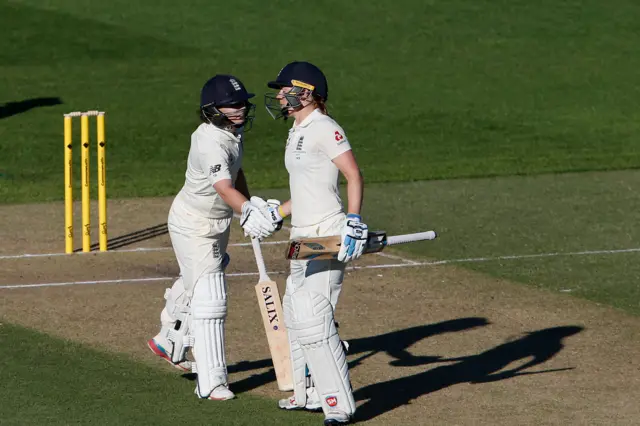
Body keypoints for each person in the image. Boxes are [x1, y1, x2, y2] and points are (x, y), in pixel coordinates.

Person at [147, 74, 277, 401]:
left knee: (199, 281)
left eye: (242, 104)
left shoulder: (231, 133)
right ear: (212, 109)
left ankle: (168, 339)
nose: (242, 110)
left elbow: (236, 173)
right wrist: (247, 211)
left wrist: (250, 203)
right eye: (233, 106)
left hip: (216, 222)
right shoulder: (209, 141)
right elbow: (222, 187)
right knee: (211, 295)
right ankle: (211, 381)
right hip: (194, 223)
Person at [261, 61, 367, 425]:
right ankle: (306, 395)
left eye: (285, 88)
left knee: (313, 317)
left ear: (307, 92)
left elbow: (353, 175)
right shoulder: (296, 129)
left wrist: (353, 221)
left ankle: (338, 408)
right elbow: (304, 190)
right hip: (301, 236)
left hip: (327, 234)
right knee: (294, 312)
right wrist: (278, 213)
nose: (278, 95)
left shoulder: (325, 128)